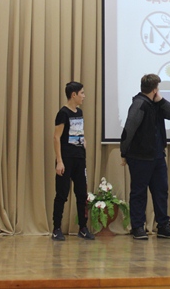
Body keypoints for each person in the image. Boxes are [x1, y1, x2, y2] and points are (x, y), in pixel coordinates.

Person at [120, 74, 170, 240]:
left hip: (157, 156)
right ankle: (138, 227)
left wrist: (161, 100)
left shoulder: (156, 104)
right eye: (158, 88)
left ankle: (163, 226)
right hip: (140, 157)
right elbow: (129, 129)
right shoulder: (139, 104)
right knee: (139, 193)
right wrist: (123, 152)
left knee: (161, 192)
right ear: (155, 89)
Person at [51, 81, 95, 241]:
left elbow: (79, 132)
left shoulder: (79, 112)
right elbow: (56, 137)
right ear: (73, 95)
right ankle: (56, 228)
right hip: (66, 159)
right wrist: (59, 161)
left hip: (79, 159)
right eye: (81, 93)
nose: (84, 96)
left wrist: (84, 142)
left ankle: (83, 227)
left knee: (82, 194)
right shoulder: (63, 113)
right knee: (62, 194)